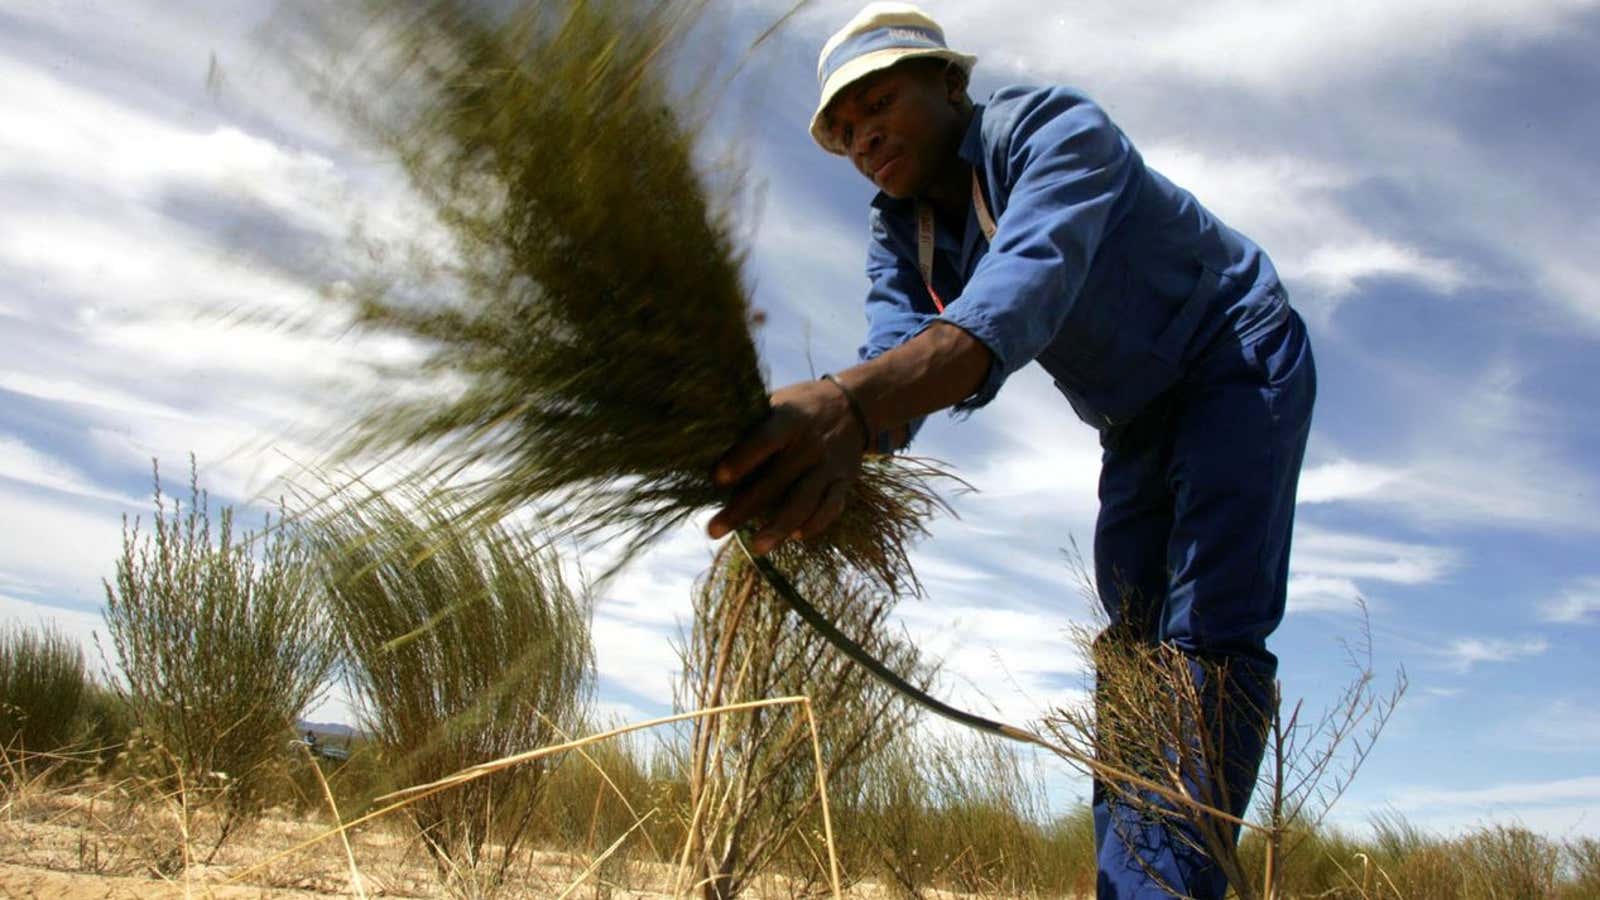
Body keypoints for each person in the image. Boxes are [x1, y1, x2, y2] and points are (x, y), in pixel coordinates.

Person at [707, 3, 1315, 896]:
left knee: (1205, 637)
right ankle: (1132, 879)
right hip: (1136, 418)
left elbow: (1019, 292)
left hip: (1234, 357)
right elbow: (892, 362)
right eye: (841, 131)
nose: (862, 136)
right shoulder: (900, 231)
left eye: (878, 103)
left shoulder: (1058, 130)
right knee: (1134, 646)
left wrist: (849, 405)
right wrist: (790, 452)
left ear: (950, 83)